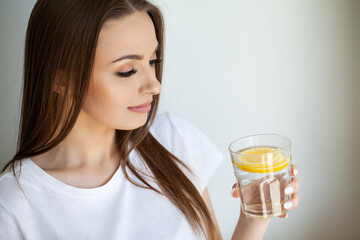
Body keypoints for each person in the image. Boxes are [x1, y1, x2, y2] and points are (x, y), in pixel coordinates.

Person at [0, 0, 300, 239]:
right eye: (127, 70)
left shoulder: (173, 139)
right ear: (61, 80)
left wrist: (254, 218)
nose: (154, 85)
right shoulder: (13, 207)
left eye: (153, 61)